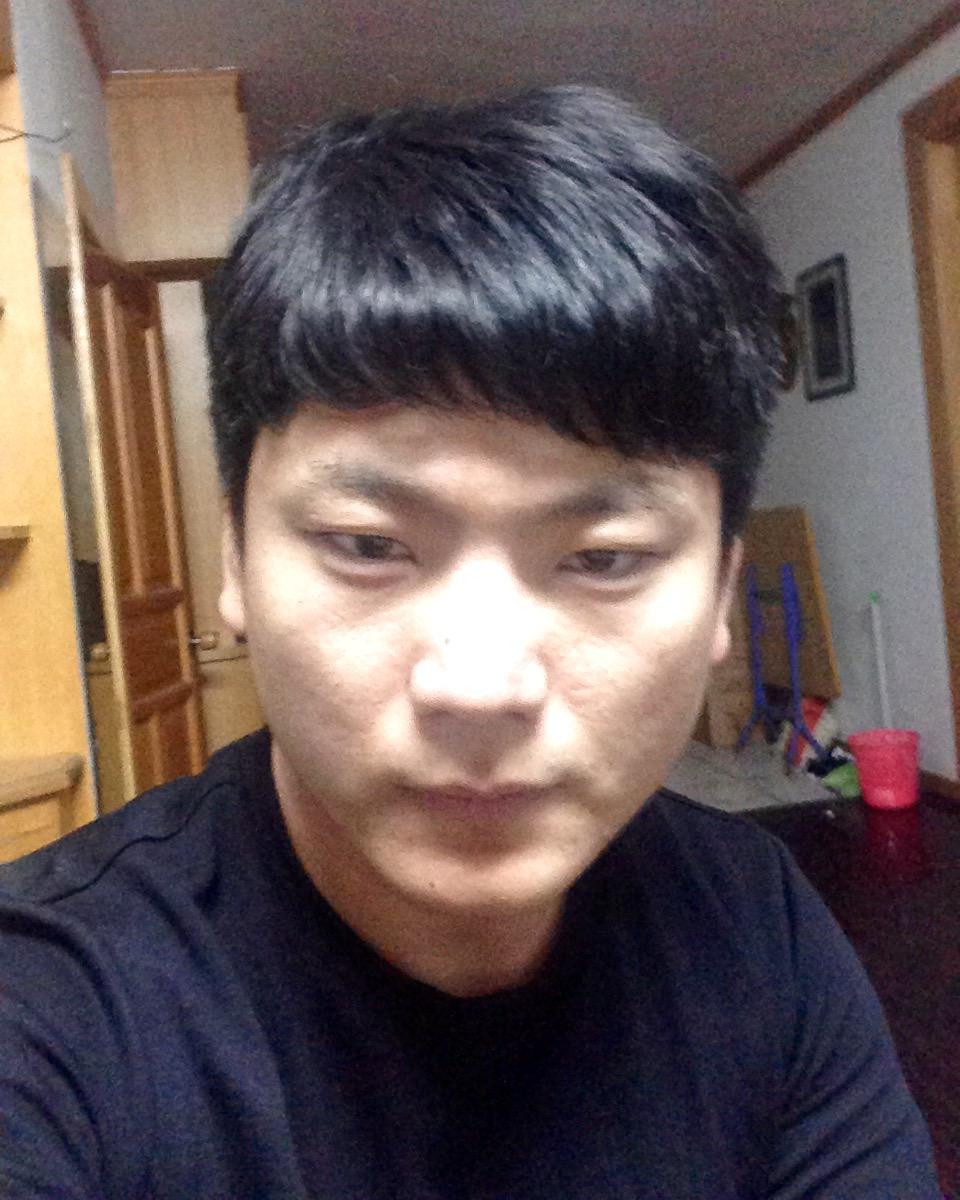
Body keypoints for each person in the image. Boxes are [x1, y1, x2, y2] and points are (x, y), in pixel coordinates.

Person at [0, 86, 939, 1199]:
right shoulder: (47, 1011)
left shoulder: (759, 928)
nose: (481, 685)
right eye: (368, 545)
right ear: (235, 561)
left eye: (603, 558)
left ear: (721, 592)